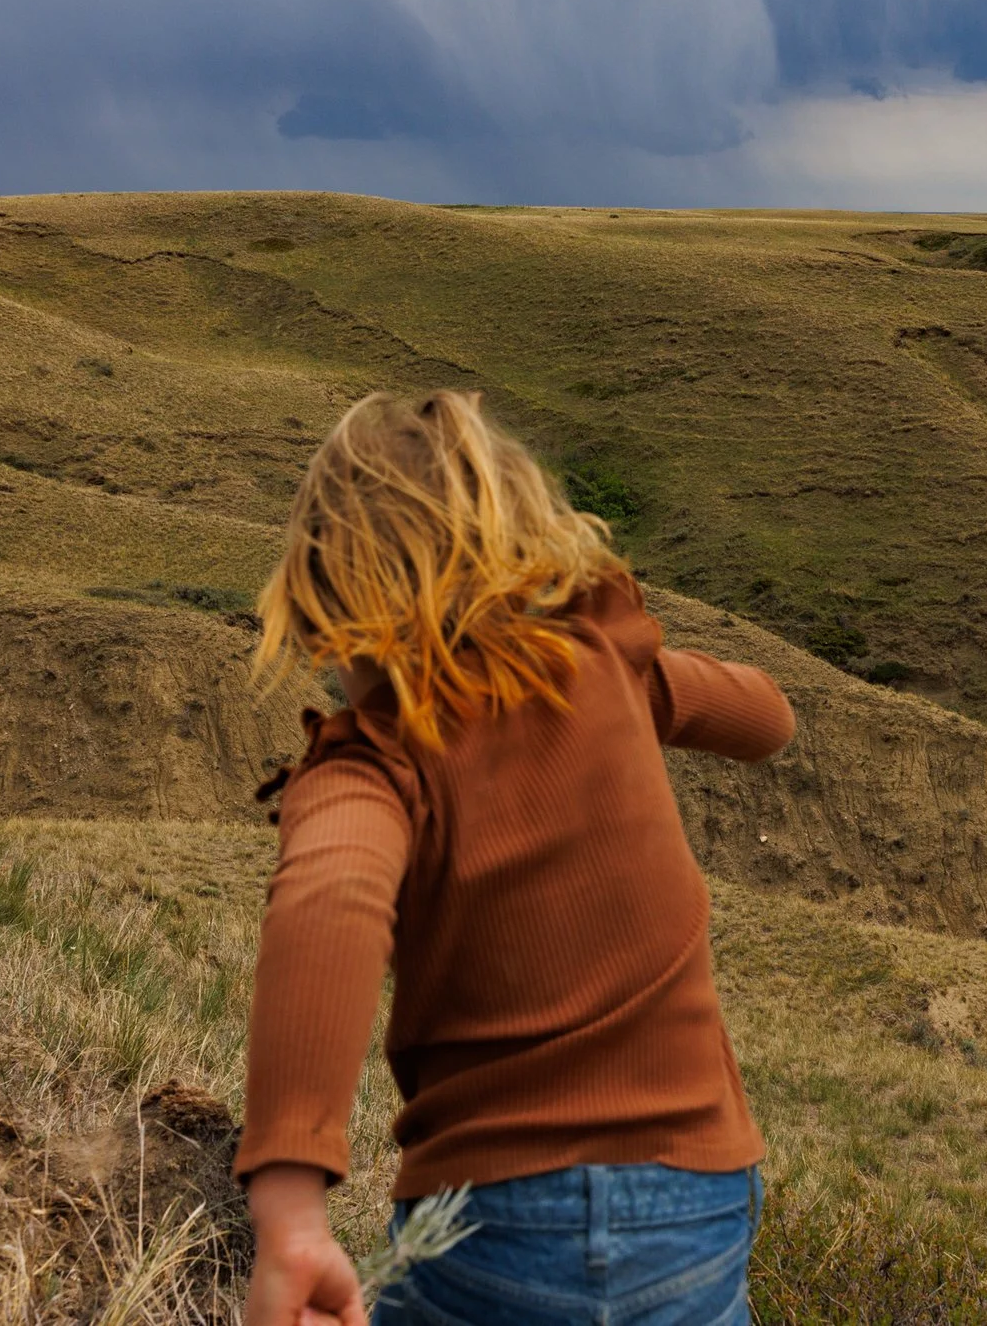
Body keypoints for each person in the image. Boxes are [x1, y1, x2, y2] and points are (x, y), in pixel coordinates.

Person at [236, 390, 797, 1326]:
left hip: (502, 1219)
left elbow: (328, 903)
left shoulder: (373, 762)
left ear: (328, 602)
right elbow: (768, 718)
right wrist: (651, 692)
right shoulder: (602, 664)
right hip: (699, 1193)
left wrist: (292, 1210)